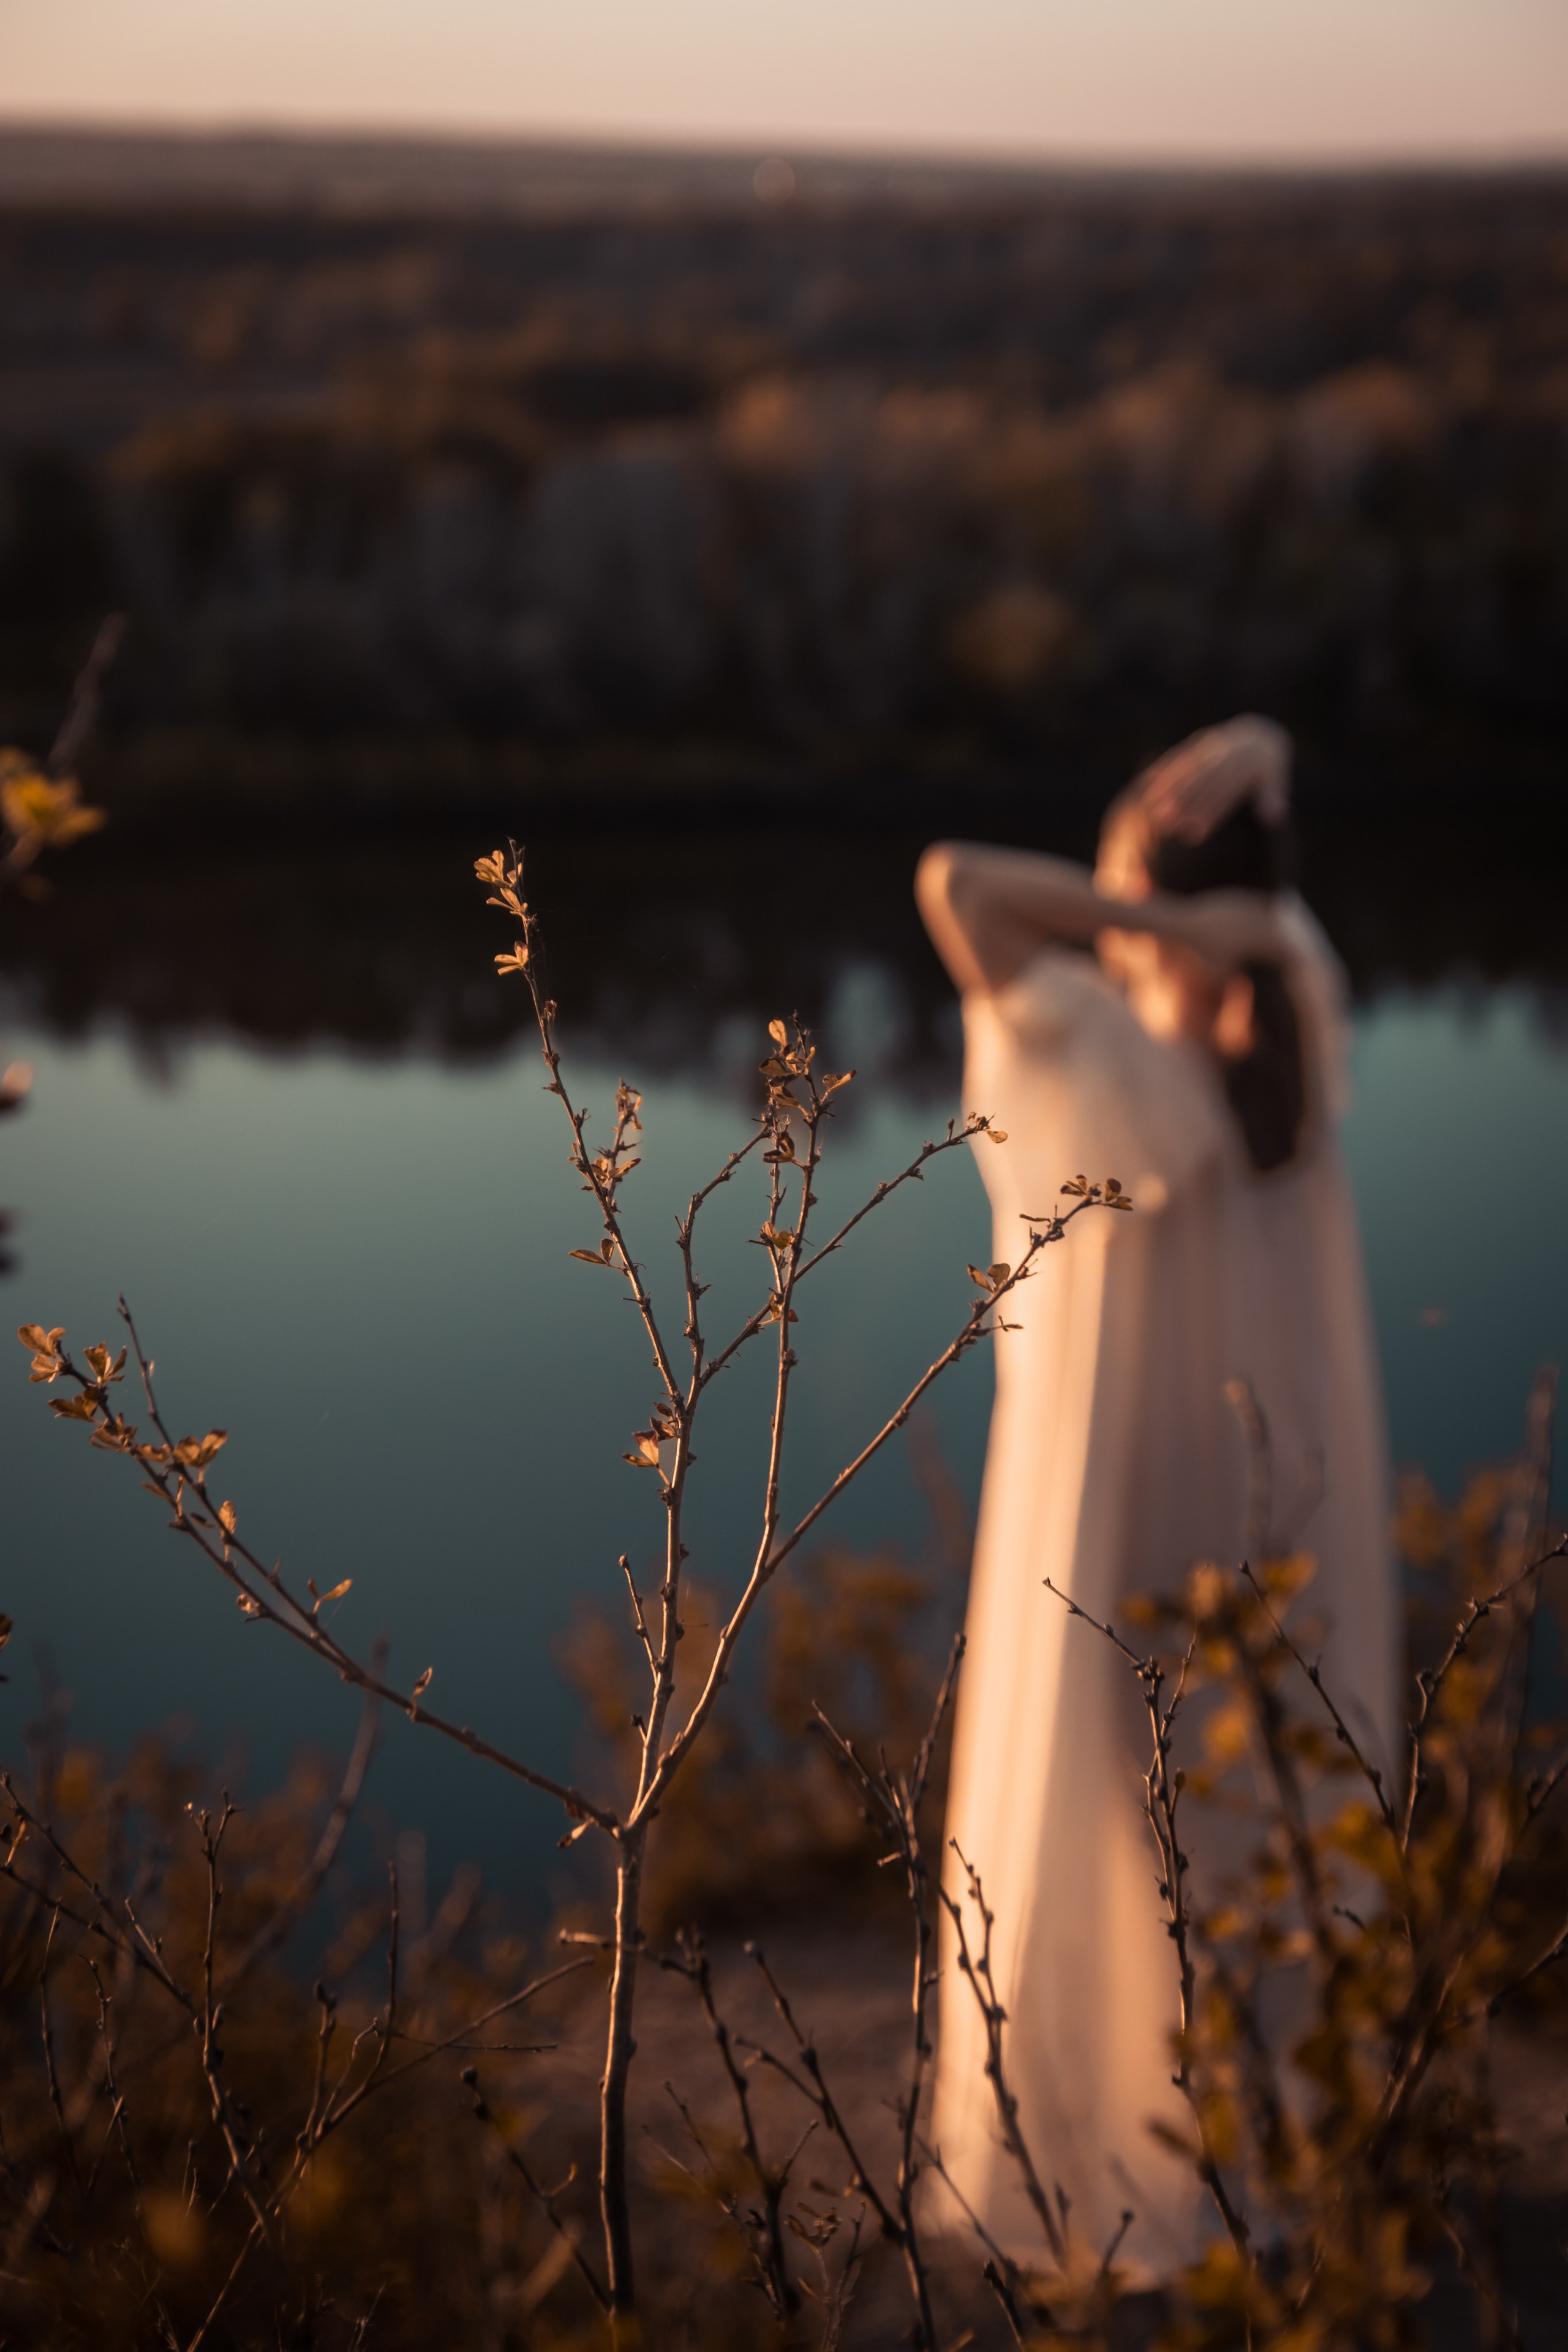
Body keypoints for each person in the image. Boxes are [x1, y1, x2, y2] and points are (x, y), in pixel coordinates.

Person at [916, 715, 1400, 2275]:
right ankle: (1272, 2133)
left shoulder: (1121, 1065)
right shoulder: (1293, 1026)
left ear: (1168, 902)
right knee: (1255, 1793)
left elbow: (958, 886)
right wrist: (1214, 883)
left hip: (1123, 1485)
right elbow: (1269, 854)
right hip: (1276, 1492)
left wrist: (1132, 899)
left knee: (1111, 1792)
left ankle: (1119, 2149)